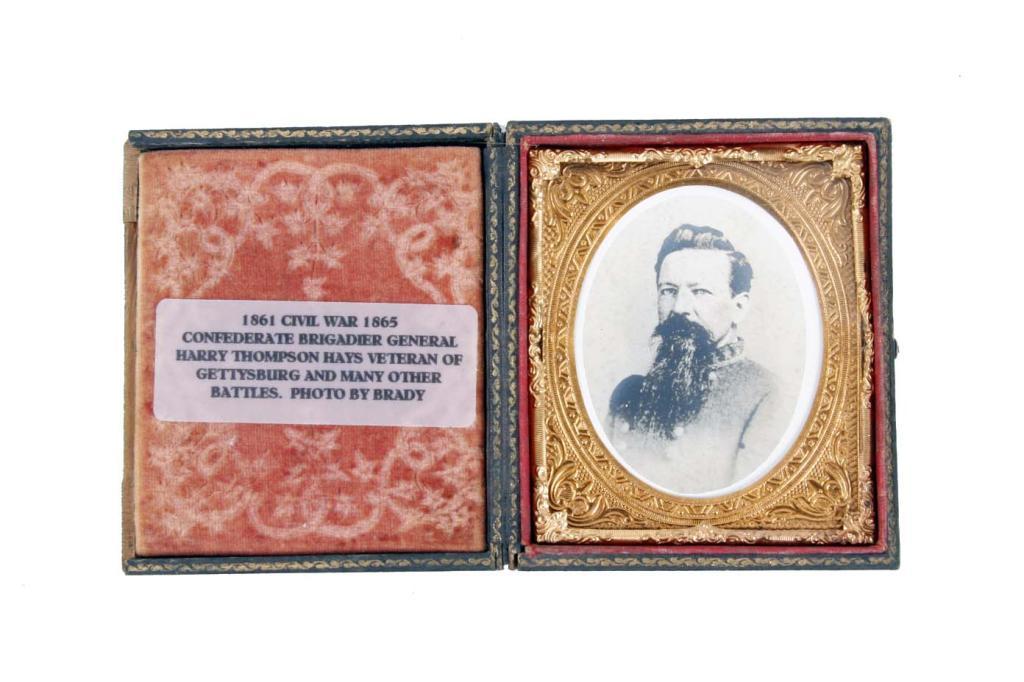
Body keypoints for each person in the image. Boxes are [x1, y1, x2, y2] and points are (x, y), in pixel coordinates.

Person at [607, 224, 782, 494]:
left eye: (700, 292)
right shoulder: (628, 394)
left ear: (739, 307)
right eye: (668, 290)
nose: (679, 308)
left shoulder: (767, 395)